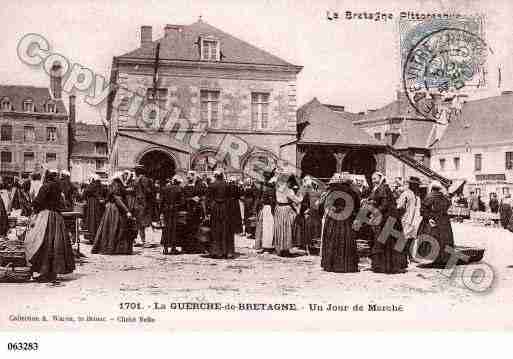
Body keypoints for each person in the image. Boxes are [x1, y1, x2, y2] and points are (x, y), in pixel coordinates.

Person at [24, 169, 75, 283]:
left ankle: (44, 271)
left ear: (46, 176)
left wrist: (31, 205)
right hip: (57, 217)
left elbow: (38, 201)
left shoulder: (46, 187)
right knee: (55, 245)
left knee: (42, 243)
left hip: (46, 217)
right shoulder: (58, 187)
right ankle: (52, 273)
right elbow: (62, 203)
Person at [367, 171, 408, 274]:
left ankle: (386, 265)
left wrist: (374, 212)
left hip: (387, 218)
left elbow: (384, 205)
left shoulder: (383, 188)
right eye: (372, 179)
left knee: (385, 241)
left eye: (375, 178)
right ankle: (386, 265)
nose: (373, 181)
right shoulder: (379, 188)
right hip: (386, 218)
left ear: (380, 178)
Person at [319, 173, 360, 273]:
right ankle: (345, 265)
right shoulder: (353, 191)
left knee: (332, 240)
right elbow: (357, 207)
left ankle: (331, 264)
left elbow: (324, 205)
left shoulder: (332, 191)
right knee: (345, 240)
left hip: (333, 219)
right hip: (346, 219)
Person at [92, 175, 134, 255]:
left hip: (111, 209)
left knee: (110, 229)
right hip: (116, 210)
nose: (125, 178)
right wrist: (127, 211)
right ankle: (115, 249)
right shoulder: (117, 185)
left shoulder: (114, 184)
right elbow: (118, 199)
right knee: (116, 228)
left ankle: (112, 248)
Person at [417, 181, 455, 267]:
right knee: (444, 239)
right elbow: (448, 204)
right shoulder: (443, 197)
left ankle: (430, 259)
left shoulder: (429, 196)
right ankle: (443, 259)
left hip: (432, 220)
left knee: (430, 238)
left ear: (432, 188)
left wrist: (429, 217)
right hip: (444, 221)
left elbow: (423, 210)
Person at [274, 172, 306, 257]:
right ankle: (286, 249)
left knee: (280, 228)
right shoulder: (288, 190)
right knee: (287, 228)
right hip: (286, 210)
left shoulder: (278, 188)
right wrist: (302, 193)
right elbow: (298, 200)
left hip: (278, 209)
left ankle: (280, 248)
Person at [208, 169, 234, 259]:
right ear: (222, 175)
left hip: (215, 208)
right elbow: (230, 198)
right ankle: (226, 251)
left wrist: (208, 210)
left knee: (215, 228)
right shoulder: (227, 185)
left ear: (215, 176)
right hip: (225, 208)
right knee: (225, 228)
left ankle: (216, 251)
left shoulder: (212, 185)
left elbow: (209, 199)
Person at [397, 176, 422, 261]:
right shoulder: (406, 194)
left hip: (415, 220)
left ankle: (410, 256)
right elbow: (399, 206)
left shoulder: (417, 196)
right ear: (411, 185)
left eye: (417, 185)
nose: (416, 186)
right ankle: (401, 257)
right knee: (404, 237)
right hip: (406, 219)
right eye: (414, 184)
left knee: (412, 238)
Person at [160, 175, 184, 255]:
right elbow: (182, 202)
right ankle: (173, 248)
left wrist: (161, 211)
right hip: (174, 210)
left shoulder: (165, 188)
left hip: (166, 210)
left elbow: (161, 202)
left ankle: (165, 248)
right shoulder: (179, 189)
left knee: (166, 228)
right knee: (173, 229)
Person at [255, 169, 276, 253]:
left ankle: (264, 245)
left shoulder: (263, 185)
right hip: (269, 208)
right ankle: (268, 245)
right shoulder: (271, 186)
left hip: (265, 207)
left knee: (264, 227)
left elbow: (259, 197)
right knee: (268, 227)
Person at [133, 165, 153, 247]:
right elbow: (147, 191)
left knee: (138, 222)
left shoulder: (136, 179)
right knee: (143, 222)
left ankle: (137, 240)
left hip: (137, 202)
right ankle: (143, 241)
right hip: (143, 203)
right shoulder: (144, 179)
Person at [83, 174, 105, 244]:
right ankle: (99, 237)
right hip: (99, 205)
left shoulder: (92, 185)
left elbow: (85, 193)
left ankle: (92, 238)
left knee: (92, 221)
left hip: (92, 205)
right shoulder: (101, 186)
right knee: (98, 220)